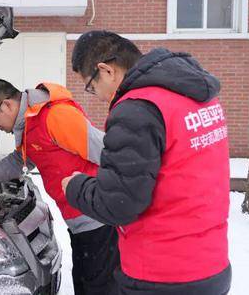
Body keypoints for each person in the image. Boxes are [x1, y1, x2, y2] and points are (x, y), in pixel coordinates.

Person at [61, 30, 232, 295]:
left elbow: (119, 204)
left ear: (106, 70)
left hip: (161, 273)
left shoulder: (136, 109)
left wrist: (76, 187)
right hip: (210, 264)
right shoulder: (196, 96)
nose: (100, 96)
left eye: (92, 87)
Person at [0, 79, 119, 295]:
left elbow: (109, 153)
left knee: (99, 289)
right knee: (85, 285)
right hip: (79, 221)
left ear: (7, 105)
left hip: (99, 221)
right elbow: (20, 160)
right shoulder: (29, 124)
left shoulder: (54, 116)